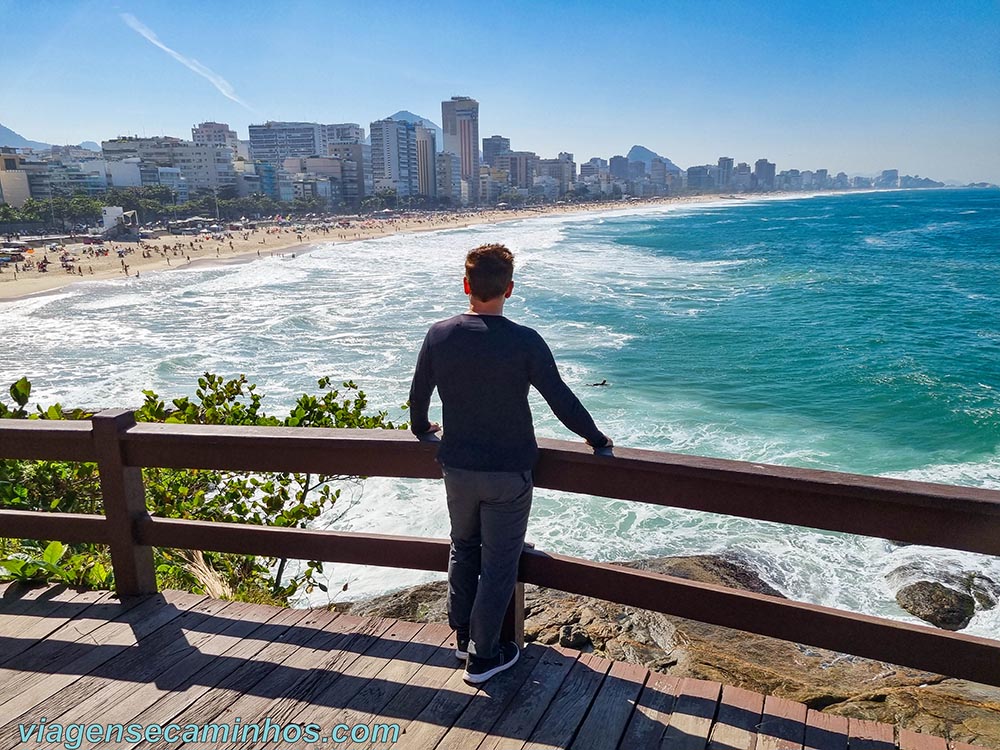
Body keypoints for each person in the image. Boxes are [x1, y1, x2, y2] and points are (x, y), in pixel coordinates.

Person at [408, 243, 612, 684]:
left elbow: (418, 400)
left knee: (463, 547)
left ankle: (462, 636)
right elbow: (560, 399)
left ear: (466, 286)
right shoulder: (524, 340)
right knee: (500, 562)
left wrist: (424, 429)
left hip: (457, 467)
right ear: (510, 289)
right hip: (508, 472)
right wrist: (597, 439)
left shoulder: (439, 334)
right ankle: (484, 657)